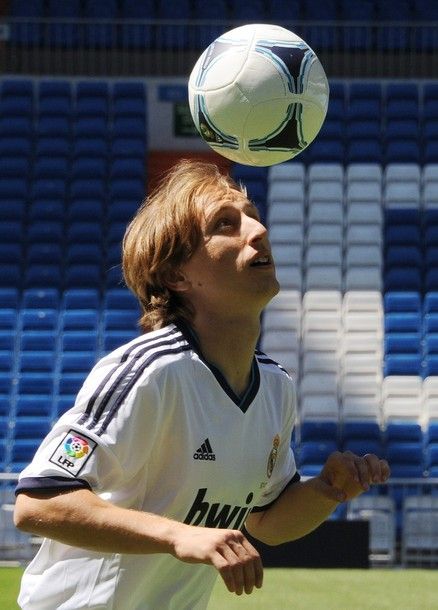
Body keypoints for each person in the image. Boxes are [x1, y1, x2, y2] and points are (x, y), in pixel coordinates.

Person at [14, 159, 390, 610]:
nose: (258, 229)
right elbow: (38, 503)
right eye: (226, 224)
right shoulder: (150, 371)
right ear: (177, 275)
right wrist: (178, 535)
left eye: (253, 214)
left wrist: (328, 489)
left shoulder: (275, 387)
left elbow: (267, 518)